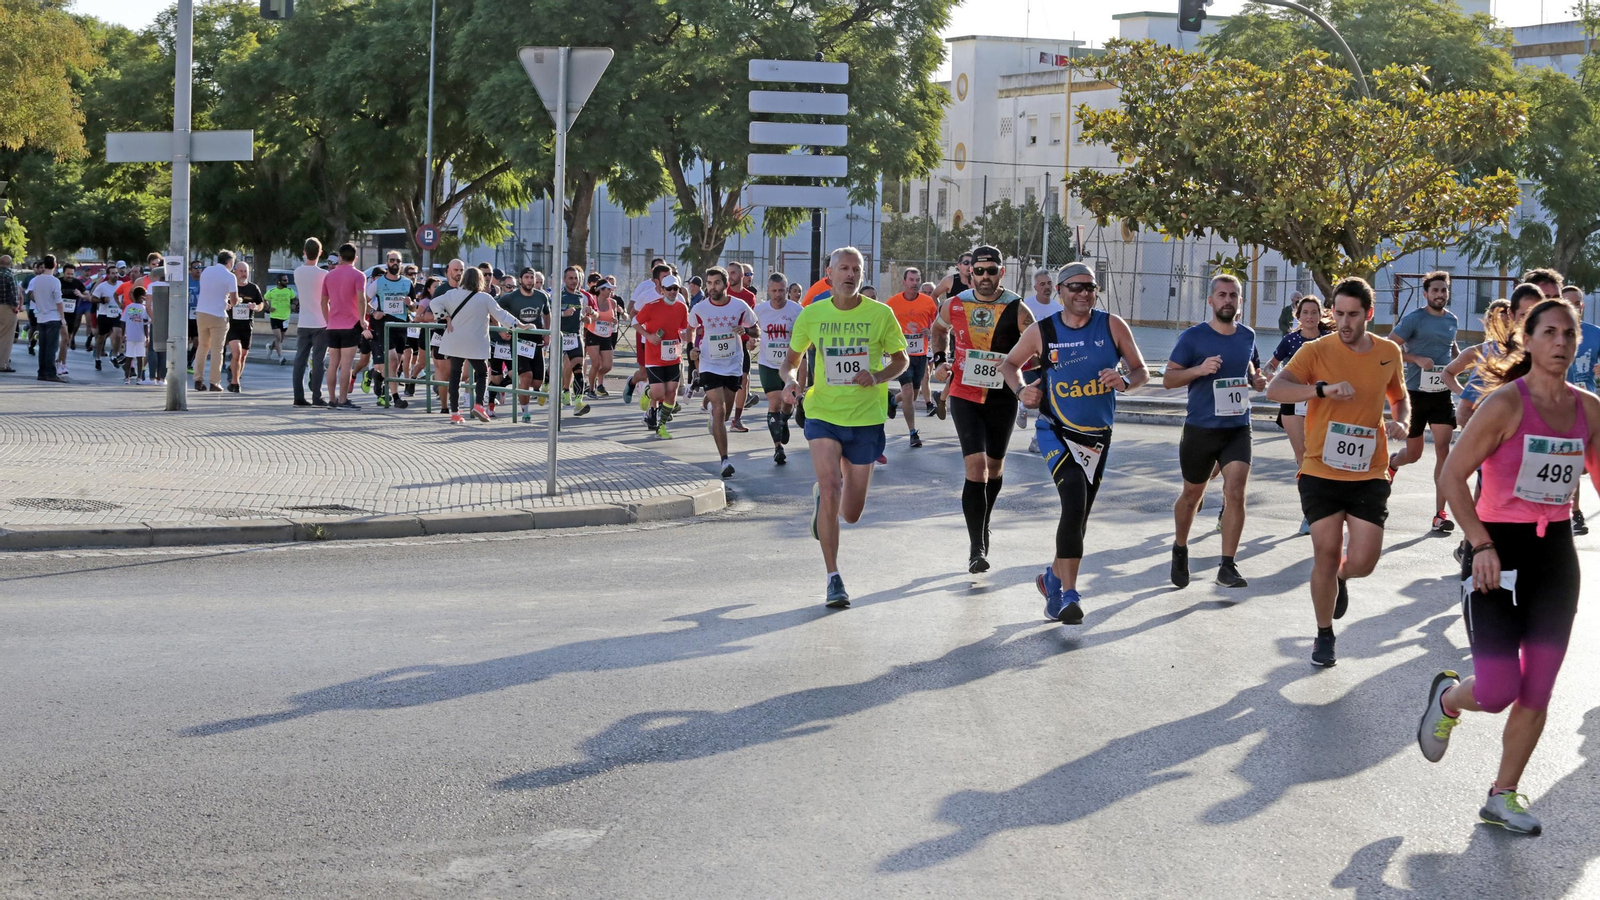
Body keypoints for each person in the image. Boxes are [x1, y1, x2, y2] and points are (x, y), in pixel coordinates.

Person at [1417, 295, 1600, 837]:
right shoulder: (1504, 404)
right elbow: (1451, 477)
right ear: (1528, 338)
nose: (1562, 343)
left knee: (1538, 688)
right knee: (1498, 690)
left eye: (1569, 335)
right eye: (1550, 333)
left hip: (1555, 559)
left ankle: (1503, 794)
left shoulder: (1589, 409)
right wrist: (1480, 544)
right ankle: (1447, 699)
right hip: (1498, 556)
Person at [1266, 276, 1409, 668]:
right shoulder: (1316, 351)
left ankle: (1343, 579)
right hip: (1321, 469)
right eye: (1339, 314)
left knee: (1363, 561)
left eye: (1353, 315)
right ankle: (1324, 634)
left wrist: (1402, 422)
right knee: (1325, 553)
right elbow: (1275, 390)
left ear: (1369, 314)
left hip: (1369, 471)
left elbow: (1399, 398)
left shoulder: (1387, 352)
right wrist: (1320, 390)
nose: (1344, 322)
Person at [1001, 261, 1148, 623]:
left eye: (1090, 287)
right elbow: (1009, 364)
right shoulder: (1042, 331)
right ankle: (1068, 594)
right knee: (1073, 502)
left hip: (1097, 435)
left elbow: (1141, 370)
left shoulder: (1112, 325)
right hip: (1056, 430)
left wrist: (1125, 381)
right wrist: (1022, 391)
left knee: (1079, 516)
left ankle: (1051, 577)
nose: (1084, 294)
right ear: (1060, 292)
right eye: (1076, 288)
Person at [781, 246, 909, 608]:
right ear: (829, 273)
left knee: (850, 512)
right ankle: (833, 578)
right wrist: (791, 382)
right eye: (844, 268)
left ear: (862, 275)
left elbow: (901, 361)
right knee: (831, 484)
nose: (850, 274)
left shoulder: (881, 315)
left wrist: (879, 375)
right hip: (823, 413)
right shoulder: (812, 314)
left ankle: (826, 505)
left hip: (866, 418)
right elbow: (790, 361)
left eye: (857, 269)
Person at [930, 245, 1034, 573]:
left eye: (992, 271)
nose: (985, 276)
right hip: (964, 394)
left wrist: (1030, 376)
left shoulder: (1017, 308)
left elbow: (1036, 345)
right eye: (979, 271)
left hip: (1002, 397)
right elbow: (938, 329)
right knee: (976, 469)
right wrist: (940, 361)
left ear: (1002, 272)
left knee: (995, 468)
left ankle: (985, 521)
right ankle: (976, 547)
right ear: (969, 272)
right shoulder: (954, 304)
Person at [1163, 273, 1268, 588]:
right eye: (1222, 295)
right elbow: (1169, 379)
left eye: (1233, 295)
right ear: (1210, 300)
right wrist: (1199, 369)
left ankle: (1227, 565)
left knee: (1235, 492)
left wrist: (1256, 381)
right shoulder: (1193, 338)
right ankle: (1180, 547)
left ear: (1239, 301)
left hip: (1237, 427)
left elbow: (1250, 371)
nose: (1228, 300)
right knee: (1193, 494)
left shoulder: (1247, 336)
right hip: (1201, 427)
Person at [1386, 271, 1462, 533]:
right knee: (1414, 455)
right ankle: (1393, 464)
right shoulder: (1414, 319)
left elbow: (1451, 347)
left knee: (1443, 450)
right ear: (1426, 293)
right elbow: (1390, 347)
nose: (1440, 295)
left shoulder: (1452, 320)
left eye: (1444, 290)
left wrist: (1459, 363)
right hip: (1416, 393)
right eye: (1435, 291)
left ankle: (1440, 514)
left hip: (1441, 394)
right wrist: (1416, 358)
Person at [1263, 295, 1332, 534]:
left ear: (1321, 314)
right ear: (1298, 316)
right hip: (1293, 403)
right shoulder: (1290, 340)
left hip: (1321, 400)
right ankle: (1309, 512)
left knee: (1320, 452)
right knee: (1302, 454)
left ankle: (1326, 507)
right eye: (1306, 313)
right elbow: (1270, 366)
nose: (1310, 316)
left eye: (1314, 312)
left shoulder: (1328, 340)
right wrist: (1274, 380)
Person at [688, 267, 759, 477]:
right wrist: (692, 348)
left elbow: (756, 328)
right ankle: (724, 460)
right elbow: (690, 329)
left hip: (733, 364)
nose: (712, 287)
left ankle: (716, 420)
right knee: (718, 409)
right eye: (709, 283)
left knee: (725, 413)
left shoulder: (739, 306)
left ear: (725, 284)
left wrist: (746, 331)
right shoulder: (700, 308)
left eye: (716, 283)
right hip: (709, 363)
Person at [430, 266, 518, 423]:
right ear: (480, 280)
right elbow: (501, 315)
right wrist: (519, 326)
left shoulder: (451, 294)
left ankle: (455, 413)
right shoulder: (484, 298)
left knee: (455, 376)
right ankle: (478, 405)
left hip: (455, 340)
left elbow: (434, 303)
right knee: (482, 372)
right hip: (476, 343)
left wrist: (446, 317)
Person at [885, 267, 938, 449]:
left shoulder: (928, 303)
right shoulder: (892, 303)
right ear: (904, 282)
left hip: (920, 354)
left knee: (913, 395)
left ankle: (892, 401)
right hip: (901, 354)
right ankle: (913, 433)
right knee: (907, 392)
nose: (915, 283)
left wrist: (930, 332)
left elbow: (939, 325)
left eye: (918, 280)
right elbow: (884, 326)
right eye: (912, 280)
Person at [1560, 284, 1597, 535]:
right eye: (1567, 303)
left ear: (1581, 306)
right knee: (1570, 458)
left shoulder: (1595, 334)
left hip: (1589, 404)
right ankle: (1574, 512)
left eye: (1576, 303)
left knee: (1583, 462)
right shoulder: (1554, 334)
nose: (1572, 307)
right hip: (1561, 404)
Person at [635, 274, 691, 439]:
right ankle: (648, 391)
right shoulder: (651, 306)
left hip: (673, 355)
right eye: (669, 289)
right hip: (654, 356)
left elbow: (683, 327)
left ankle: (662, 426)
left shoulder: (681, 307)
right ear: (662, 291)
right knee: (659, 393)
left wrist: (685, 335)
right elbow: (634, 322)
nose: (672, 292)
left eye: (675, 289)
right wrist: (648, 335)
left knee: (672, 391)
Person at [756, 272, 803, 464]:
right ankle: (778, 447)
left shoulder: (797, 311)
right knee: (774, 402)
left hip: (790, 365)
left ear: (787, 290)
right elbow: (752, 330)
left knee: (787, 403)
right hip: (767, 363)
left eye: (781, 290)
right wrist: (751, 341)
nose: (778, 294)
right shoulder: (759, 310)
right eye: (774, 291)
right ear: (768, 290)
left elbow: (805, 338)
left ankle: (783, 420)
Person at [494, 267, 550, 422]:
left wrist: (547, 333)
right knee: (526, 376)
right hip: (518, 341)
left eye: (532, 277)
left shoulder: (541, 296)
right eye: (526, 277)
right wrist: (500, 330)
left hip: (536, 342)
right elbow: (494, 310)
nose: (530, 281)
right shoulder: (511, 298)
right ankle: (525, 413)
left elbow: (547, 313)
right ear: (520, 280)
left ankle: (516, 383)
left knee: (536, 381)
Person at [321, 242, 371, 410]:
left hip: (333, 325)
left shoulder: (329, 276)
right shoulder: (359, 276)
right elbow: (361, 299)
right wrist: (362, 319)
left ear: (340, 258)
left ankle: (331, 399)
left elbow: (323, 302)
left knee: (333, 363)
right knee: (346, 364)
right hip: (351, 324)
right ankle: (343, 399)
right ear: (355, 258)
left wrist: (328, 320)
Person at [1018, 268, 1063, 450]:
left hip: (1048, 361)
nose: (1046, 287)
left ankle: (1037, 439)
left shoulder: (1058, 309)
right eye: (1042, 284)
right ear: (1035, 286)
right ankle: (1022, 405)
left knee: (1047, 400)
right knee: (1031, 393)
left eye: (1049, 283)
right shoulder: (1025, 306)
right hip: (1028, 362)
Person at [365, 251, 413, 408]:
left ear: (401, 263)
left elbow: (414, 306)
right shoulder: (378, 283)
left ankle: (379, 377)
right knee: (392, 360)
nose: (395, 263)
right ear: (387, 263)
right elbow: (362, 301)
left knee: (396, 363)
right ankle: (396, 397)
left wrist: (410, 304)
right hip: (384, 325)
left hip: (401, 326)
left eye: (397, 261)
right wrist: (373, 312)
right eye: (392, 260)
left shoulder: (407, 283)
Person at [624, 263, 673, 405]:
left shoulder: (676, 295)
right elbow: (633, 313)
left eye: (671, 276)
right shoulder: (646, 295)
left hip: (667, 342)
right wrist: (646, 330)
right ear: (656, 281)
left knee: (663, 375)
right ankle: (632, 382)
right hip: (647, 339)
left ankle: (658, 408)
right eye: (665, 277)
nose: (669, 280)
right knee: (645, 374)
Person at [292, 239, 329, 407]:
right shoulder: (324, 274)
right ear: (320, 253)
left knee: (300, 360)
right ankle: (316, 396)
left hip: (303, 321)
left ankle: (298, 396)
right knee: (318, 361)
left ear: (304, 251)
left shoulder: (297, 272)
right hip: (321, 322)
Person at [555, 266, 595, 416]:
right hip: (560, 335)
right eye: (570, 278)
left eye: (576, 278)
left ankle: (578, 402)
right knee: (560, 367)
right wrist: (563, 314)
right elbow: (548, 314)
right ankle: (557, 389)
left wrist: (589, 317)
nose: (573, 281)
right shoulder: (558, 296)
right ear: (564, 279)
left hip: (576, 336)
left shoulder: (582, 296)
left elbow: (593, 313)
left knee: (578, 368)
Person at [225, 262, 265, 392]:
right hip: (232, 325)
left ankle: (234, 376)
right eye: (241, 271)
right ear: (235, 271)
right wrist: (226, 305)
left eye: (245, 271)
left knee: (243, 355)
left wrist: (256, 307)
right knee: (236, 352)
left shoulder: (253, 288)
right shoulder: (230, 287)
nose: (243, 274)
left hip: (247, 326)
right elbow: (221, 301)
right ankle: (235, 383)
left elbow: (261, 304)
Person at [29, 255, 66, 382]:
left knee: (43, 347)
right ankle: (51, 373)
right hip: (53, 316)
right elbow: (59, 301)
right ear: (55, 265)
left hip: (41, 316)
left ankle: (42, 372)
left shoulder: (37, 280)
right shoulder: (55, 281)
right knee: (52, 347)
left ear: (43, 265)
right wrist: (63, 318)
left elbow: (33, 295)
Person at [584, 281, 620, 399]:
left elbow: (613, 317)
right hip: (593, 334)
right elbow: (587, 315)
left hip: (606, 335)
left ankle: (595, 376)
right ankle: (591, 389)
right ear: (601, 290)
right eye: (608, 289)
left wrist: (614, 321)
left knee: (607, 365)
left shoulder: (613, 302)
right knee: (595, 363)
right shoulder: (592, 300)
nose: (610, 292)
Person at [91, 265, 123, 371]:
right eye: (113, 273)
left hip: (117, 314)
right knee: (101, 338)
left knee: (118, 335)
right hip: (104, 314)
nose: (115, 275)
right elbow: (93, 298)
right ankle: (97, 358)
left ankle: (114, 356)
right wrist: (102, 300)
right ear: (108, 275)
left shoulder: (121, 284)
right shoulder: (102, 286)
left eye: (116, 273)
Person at [57, 263, 87, 371]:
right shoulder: (58, 282)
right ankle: (61, 364)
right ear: (64, 273)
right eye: (68, 274)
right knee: (64, 339)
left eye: (72, 274)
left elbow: (89, 296)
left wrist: (81, 295)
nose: (70, 276)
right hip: (59, 314)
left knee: (67, 340)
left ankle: (60, 361)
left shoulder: (77, 283)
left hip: (72, 315)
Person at [122, 286, 152, 384]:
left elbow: (123, 321)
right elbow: (145, 323)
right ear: (142, 296)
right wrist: (147, 337)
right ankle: (139, 378)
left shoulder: (128, 307)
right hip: (140, 336)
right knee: (140, 357)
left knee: (129, 357)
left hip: (130, 335)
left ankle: (127, 378)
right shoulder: (144, 308)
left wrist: (123, 334)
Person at [264, 274, 295, 360]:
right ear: (279, 281)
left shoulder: (289, 291)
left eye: (287, 280)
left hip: (285, 317)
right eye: (284, 280)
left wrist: (293, 304)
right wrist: (268, 308)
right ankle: (281, 357)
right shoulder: (272, 291)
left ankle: (270, 347)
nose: (287, 282)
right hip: (275, 317)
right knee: (278, 337)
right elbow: (264, 299)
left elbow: (295, 298)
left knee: (281, 339)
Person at [0, 255, 17, 373]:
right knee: (6, 337)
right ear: (10, 264)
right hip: (6, 307)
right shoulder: (9, 275)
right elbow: (13, 293)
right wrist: (15, 307)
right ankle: (3, 364)